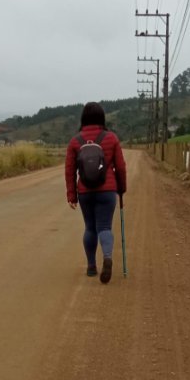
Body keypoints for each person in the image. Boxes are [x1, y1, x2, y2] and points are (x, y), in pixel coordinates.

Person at [65, 102, 127, 284]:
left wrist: (72, 195)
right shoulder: (111, 138)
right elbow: (121, 167)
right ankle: (107, 257)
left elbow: (69, 170)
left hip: (85, 191)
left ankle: (91, 266)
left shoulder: (75, 141)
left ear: (83, 119)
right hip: (107, 190)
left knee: (90, 228)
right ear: (102, 118)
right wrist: (121, 188)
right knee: (105, 227)